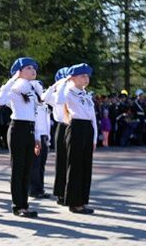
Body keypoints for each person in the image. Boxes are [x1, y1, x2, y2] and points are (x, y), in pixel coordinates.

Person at [0, 57, 42, 218]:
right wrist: (12, 79)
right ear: (19, 72)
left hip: (29, 129)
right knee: (18, 169)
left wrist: (36, 136)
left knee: (27, 170)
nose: (33, 70)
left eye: (34, 67)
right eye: (28, 68)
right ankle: (18, 206)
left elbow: (34, 113)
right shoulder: (14, 87)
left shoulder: (33, 89)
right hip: (18, 129)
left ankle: (25, 205)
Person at [54, 63, 97, 214]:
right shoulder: (68, 92)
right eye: (82, 76)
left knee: (86, 167)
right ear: (73, 78)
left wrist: (94, 139)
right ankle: (73, 202)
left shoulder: (86, 94)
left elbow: (93, 118)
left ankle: (82, 200)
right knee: (75, 166)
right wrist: (64, 83)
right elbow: (58, 100)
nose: (86, 79)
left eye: (87, 76)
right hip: (76, 127)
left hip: (87, 129)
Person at [43, 67, 69, 205]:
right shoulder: (55, 95)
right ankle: (60, 193)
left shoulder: (74, 93)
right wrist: (55, 86)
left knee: (72, 162)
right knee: (62, 162)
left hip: (74, 127)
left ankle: (70, 192)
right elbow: (44, 97)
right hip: (62, 126)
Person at [29, 84, 51, 199]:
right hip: (36, 137)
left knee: (41, 165)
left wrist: (48, 137)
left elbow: (47, 123)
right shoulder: (32, 105)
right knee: (35, 165)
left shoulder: (44, 106)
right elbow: (35, 123)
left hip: (44, 137)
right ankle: (33, 189)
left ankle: (40, 188)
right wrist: (36, 140)